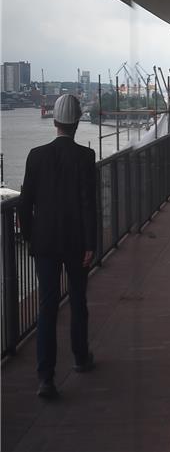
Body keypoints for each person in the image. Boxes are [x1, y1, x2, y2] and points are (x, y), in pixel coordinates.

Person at [19, 94, 97, 399]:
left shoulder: (35, 156)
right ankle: (80, 357)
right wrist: (90, 243)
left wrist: (30, 237)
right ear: (77, 123)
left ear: (55, 122)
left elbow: (25, 204)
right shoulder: (85, 157)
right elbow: (88, 204)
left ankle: (46, 378)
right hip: (76, 242)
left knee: (47, 308)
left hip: (46, 243)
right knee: (78, 301)